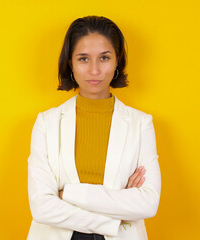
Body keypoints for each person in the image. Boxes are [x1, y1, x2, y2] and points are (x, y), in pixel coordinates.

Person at [27, 15, 161, 240]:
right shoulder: (47, 123)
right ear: (70, 62)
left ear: (117, 61)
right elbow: (41, 207)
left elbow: (148, 204)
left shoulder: (141, 124)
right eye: (83, 59)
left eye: (104, 58)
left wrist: (68, 193)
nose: (95, 70)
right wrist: (114, 215)